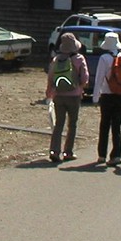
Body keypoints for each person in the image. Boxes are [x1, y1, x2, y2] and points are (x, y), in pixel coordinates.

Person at [46, 32, 89, 163]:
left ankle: (54, 150)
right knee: (72, 124)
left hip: (58, 95)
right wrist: (80, 87)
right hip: (74, 96)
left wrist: (49, 91)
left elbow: (51, 77)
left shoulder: (56, 59)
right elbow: (85, 79)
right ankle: (68, 152)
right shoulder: (79, 59)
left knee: (58, 124)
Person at [91, 33, 121, 167]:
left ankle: (102, 155)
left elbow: (99, 78)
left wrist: (95, 97)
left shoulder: (104, 58)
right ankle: (116, 155)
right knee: (117, 126)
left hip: (108, 95)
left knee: (104, 125)